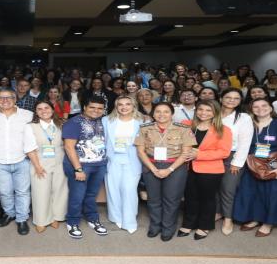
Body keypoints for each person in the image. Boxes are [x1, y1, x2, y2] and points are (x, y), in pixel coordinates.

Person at [233, 98, 277, 237]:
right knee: (253, 193)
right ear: (251, 109)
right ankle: (256, 218)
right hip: (252, 165)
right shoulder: (248, 124)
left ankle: (268, 223)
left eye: (264, 105)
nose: (260, 108)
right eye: (255, 106)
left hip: (274, 164)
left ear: (271, 108)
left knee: (274, 194)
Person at [135, 102, 194, 241]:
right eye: (158, 111)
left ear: (172, 114)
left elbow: (186, 153)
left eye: (166, 111)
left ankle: (168, 227)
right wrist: (153, 168)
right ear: (153, 114)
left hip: (176, 167)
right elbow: (140, 151)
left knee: (171, 200)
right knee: (153, 199)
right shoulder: (144, 128)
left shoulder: (183, 129)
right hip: (151, 166)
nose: (162, 115)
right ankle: (155, 225)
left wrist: (170, 169)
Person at [0, 88, 38, 235]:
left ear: (15, 100)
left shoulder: (28, 115)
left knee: (22, 192)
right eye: (1, 98)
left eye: (9, 97)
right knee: (4, 192)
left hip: (22, 160)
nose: (5, 100)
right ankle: (10, 214)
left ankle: (21, 219)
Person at [178, 100, 232, 240]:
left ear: (215, 112)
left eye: (208, 110)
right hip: (187, 168)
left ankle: (204, 226)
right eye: (201, 109)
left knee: (207, 199)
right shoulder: (187, 124)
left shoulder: (223, 130)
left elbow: (224, 152)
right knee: (190, 197)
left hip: (211, 170)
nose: (203, 113)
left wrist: (199, 155)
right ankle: (188, 223)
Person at [62, 96, 109, 239]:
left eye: (100, 108)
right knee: (77, 196)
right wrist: (78, 169)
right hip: (81, 166)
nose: (96, 110)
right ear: (85, 107)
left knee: (91, 194)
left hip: (99, 164)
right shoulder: (73, 122)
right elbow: (69, 147)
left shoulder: (102, 121)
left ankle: (92, 218)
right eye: (92, 107)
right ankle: (73, 222)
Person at [24, 100, 68, 233]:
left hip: (60, 161)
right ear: (36, 112)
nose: (44, 111)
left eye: (46, 108)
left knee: (60, 190)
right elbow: (29, 148)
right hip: (40, 162)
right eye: (39, 109)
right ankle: (42, 220)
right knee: (40, 191)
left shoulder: (61, 124)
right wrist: (37, 166)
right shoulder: (30, 127)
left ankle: (56, 216)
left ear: (52, 109)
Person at [102, 96, 144, 234]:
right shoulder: (107, 120)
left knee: (129, 189)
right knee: (113, 189)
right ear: (116, 106)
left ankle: (129, 220)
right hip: (112, 159)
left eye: (127, 104)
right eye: (120, 104)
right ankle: (116, 217)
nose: (124, 107)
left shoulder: (142, 121)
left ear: (133, 106)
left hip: (133, 159)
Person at [217, 88, 254, 235]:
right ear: (221, 98)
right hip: (212, 156)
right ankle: (218, 212)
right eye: (228, 97)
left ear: (240, 101)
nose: (231, 100)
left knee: (228, 188)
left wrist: (237, 163)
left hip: (232, 157)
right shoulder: (214, 113)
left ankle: (228, 219)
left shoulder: (243, 117)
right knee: (214, 187)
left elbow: (245, 142)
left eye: (236, 98)